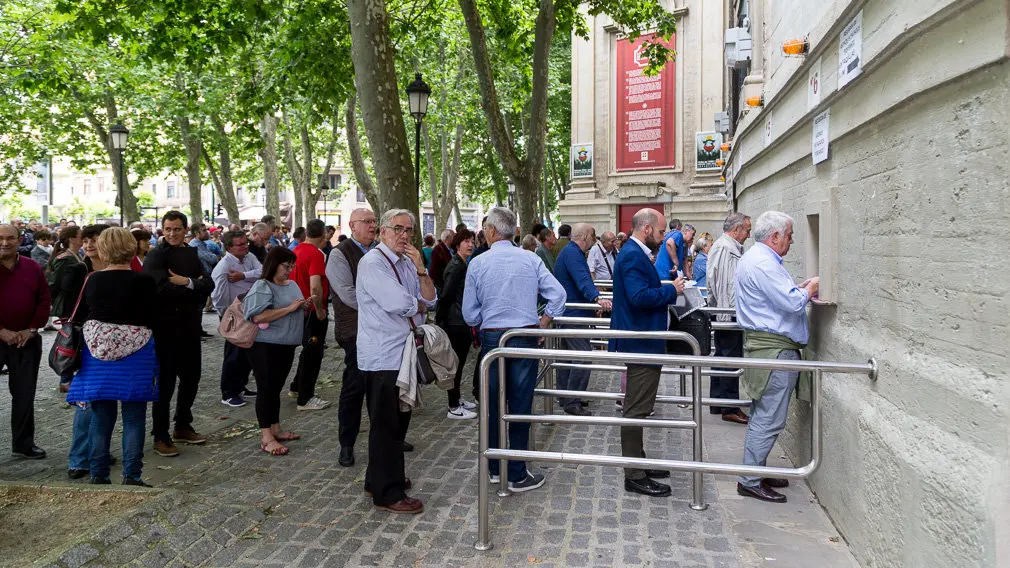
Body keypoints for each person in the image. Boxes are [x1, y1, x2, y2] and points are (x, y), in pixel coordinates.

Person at [463, 207, 566, 493]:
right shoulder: (530, 259)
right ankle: (517, 473)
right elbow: (558, 294)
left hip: (493, 340)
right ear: (514, 232)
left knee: (493, 404)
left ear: (492, 231)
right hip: (524, 336)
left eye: (486, 228)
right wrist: (543, 322)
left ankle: (495, 467)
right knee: (520, 405)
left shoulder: (478, 263)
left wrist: (486, 317)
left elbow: (470, 314)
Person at [734, 211, 819, 504]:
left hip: (767, 348)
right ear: (775, 237)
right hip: (773, 350)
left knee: (763, 415)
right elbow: (792, 303)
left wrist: (800, 289)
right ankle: (749, 479)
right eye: (790, 235)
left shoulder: (756, 259)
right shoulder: (763, 263)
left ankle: (754, 470)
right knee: (769, 418)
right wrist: (810, 288)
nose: (792, 242)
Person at [356, 208, 436, 514]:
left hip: (401, 352)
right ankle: (387, 493)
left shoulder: (404, 262)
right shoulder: (372, 263)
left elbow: (430, 299)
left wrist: (420, 269)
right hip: (382, 355)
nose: (404, 235)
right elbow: (399, 303)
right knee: (386, 424)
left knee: (397, 421)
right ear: (383, 232)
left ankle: (377, 478)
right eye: (398, 229)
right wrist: (417, 305)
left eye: (409, 230)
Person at [65, 228, 159, 486]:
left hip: (98, 355)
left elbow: (82, 314)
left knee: (101, 418)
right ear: (132, 248)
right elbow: (153, 316)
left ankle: (98, 475)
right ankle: (132, 475)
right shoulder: (145, 281)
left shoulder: (93, 280)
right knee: (134, 418)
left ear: (103, 249)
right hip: (138, 355)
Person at [609, 208, 684, 497]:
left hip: (646, 340)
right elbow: (639, 297)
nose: (665, 237)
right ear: (648, 229)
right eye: (662, 231)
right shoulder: (631, 254)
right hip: (640, 341)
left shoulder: (634, 252)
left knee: (639, 406)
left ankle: (638, 462)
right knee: (636, 409)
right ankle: (634, 474)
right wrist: (671, 291)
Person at [143, 211, 215, 457]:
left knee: (192, 378)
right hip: (164, 328)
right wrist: (194, 285)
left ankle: (183, 425)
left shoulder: (192, 253)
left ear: (186, 230)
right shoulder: (155, 256)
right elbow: (159, 290)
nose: (172, 233)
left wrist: (186, 282)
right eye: (167, 229)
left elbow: (210, 285)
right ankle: (160, 435)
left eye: (176, 229)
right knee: (165, 384)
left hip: (190, 326)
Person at [243, 247, 309, 456]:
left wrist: (303, 306)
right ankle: (266, 437)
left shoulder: (293, 284)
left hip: (286, 344)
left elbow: (294, 306)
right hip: (265, 345)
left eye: (292, 266)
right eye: (285, 266)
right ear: (274, 264)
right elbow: (257, 317)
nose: (289, 270)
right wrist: (290, 308)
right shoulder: (263, 285)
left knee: (275, 388)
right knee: (266, 388)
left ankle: (275, 428)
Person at [326, 208, 377, 467]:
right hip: (354, 331)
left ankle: (387, 437)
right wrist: (382, 305)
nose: (372, 225)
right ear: (352, 225)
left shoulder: (379, 250)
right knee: (354, 388)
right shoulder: (339, 253)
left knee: (382, 388)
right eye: (366, 222)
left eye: (374, 221)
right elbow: (346, 293)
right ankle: (347, 443)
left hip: (382, 331)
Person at [0, 224, 51, 460]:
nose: (5, 243)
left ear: (20, 240)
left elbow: (44, 298)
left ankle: (23, 443)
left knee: (24, 394)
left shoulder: (32, 267)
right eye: (0, 238)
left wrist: (32, 328)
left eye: (10, 238)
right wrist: (2, 331)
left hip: (26, 340)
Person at [553, 224, 612, 416]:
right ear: (585, 236)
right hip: (573, 313)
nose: (595, 240)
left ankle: (566, 395)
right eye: (594, 236)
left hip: (570, 312)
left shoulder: (570, 252)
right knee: (582, 355)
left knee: (569, 356)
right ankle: (572, 400)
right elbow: (582, 279)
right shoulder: (573, 253)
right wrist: (596, 298)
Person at [707, 213, 752, 424]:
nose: (749, 234)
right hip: (728, 313)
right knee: (730, 358)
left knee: (723, 357)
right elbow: (727, 286)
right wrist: (732, 314)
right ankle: (729, 406)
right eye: (747, 230)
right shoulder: (727, 248)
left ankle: (719, 402)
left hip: (724, 311)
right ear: (736, 230)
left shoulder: (724, 246)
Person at [211, 230, 262, 407]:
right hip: (235, 314)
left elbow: (263, 271)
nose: (245, 246)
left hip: (250, 311)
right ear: (229, 248)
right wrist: (227, 314)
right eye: (240, 245)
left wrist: (244, 276)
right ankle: (228, 392)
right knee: (233, 355)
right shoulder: (223, 266)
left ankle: (240, 386)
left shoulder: (249, 257)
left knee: (246, 353)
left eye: (245, 242)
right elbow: (218, 294)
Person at [435, 228, 478, 420]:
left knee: (458, 364)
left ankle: (457, 398)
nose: (470, 245)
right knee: (455, 365)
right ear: (457, 244)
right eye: (466, 241)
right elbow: (446, 296)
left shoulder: (461, 263)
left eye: (472, 241)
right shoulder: (456, 266)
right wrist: (440, 320)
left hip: (460, 320)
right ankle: (453, 406)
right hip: (455, 322)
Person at [288, 219, 331, 411]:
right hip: (312, 310)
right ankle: (305, 398)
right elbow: (315, 285)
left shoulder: (296, 251)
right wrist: (320, 309)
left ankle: (297, 387)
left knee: (307, 351)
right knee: (314, 352)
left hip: (299, 308)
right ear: (322, 236)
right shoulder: (315, 254)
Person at [46, 226, 84, 340]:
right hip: (68, 303)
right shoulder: (65, 258)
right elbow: (56, 283)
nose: (83, 237)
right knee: (69, 336)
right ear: (72, 239)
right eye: (80, 235)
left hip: (75, 302)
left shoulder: (77, 255)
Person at [428, 229, 453, 293]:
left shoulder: (450, 249)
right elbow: (434, 267)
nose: (455, 239)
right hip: (441, 283)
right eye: (453, 236)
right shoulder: (438, 249)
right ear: (447, 238)